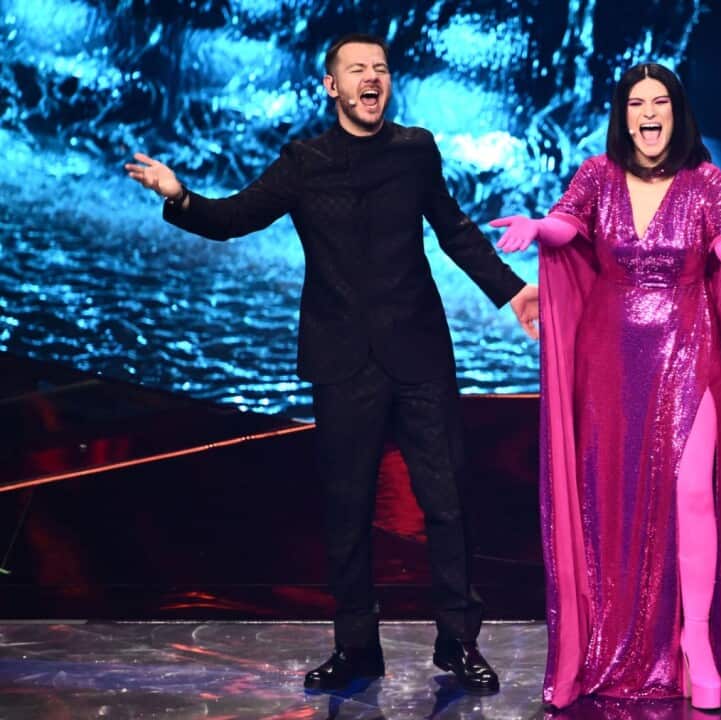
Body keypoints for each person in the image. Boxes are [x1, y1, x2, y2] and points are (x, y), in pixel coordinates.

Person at [124, 32, 538, 695]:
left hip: (419, 354)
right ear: (331, 86)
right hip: (342, 361)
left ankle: (458, 643)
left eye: (381, 69)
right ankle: (356, 648)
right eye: (358, 69)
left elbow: (455, 230)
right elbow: (235, 218)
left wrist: (512, 290)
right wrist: (181, 196)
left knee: (448, 504)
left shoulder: (416, 150)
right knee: (347, 511)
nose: (372, 78)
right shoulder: (304, 161)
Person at [491, 63, 721, 710]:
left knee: (694, 494)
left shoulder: (704, 180)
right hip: (610, 363)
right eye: (637, 103)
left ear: (676, 112)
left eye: (660, 101)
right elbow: (566, 225)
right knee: (612, 502)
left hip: (689, 352)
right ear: (624, 115)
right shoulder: (596, 175)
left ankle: (696, 641)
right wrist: (537, 228)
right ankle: (613, 640)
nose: (649, 113)